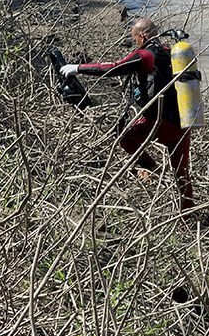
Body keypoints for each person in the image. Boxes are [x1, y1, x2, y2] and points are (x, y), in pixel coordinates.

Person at [60, 17, 194, 210]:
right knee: (182, 174)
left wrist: (78, 68)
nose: (135, 44)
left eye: (135, 40)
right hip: (183, 121)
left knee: (123, 138)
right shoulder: (171, 51)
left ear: (142, 36)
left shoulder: (145, 55)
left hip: (158, 122)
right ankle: (187, 218)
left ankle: (152, 169)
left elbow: (112, 68)